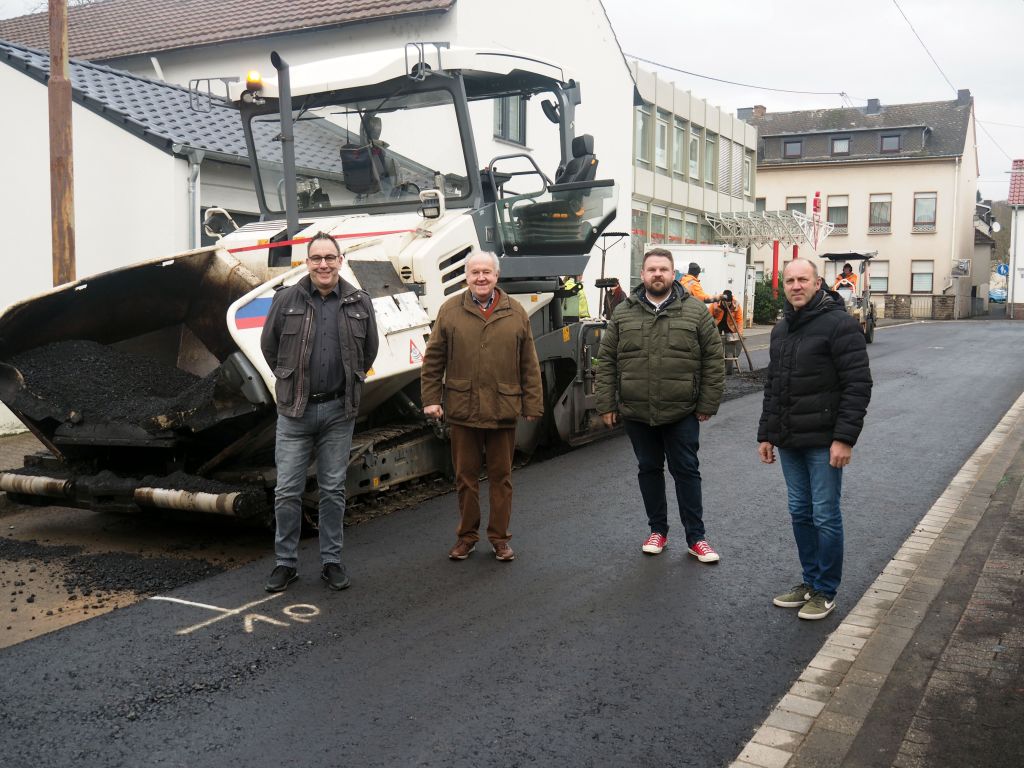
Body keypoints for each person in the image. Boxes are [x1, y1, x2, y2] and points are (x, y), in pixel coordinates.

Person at [260, 231, 379, 593]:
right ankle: (285, 563)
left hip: (338, 411)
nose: (324, 264)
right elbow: (270, 346)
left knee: (332, 490)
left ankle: (331, 561)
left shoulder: (360, 302)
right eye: (317, 258)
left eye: (330, 258)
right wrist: (292, 381)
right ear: (307, 262)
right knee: (287, 491)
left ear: (340, 261)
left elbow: (369, 351)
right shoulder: (286, 300)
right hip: (295, 412)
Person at [758, 259, 872, 620]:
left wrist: (844, 439)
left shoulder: (839, 325)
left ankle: (825, 590)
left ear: (818, 282)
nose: (795, 286)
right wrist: (767, 434)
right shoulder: (782, 329)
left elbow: (858, 385)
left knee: (824, 515)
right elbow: (773, 386)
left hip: (825, 442)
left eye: (802, 279)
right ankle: (809, 581)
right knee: (800, 512)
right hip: (790, 440)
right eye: (789, 280)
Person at [596, 247, 725, 562]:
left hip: (682, 411)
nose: (657, 274)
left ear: (672, 275)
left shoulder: (694, 311)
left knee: (686, 471)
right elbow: (607, 361)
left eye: (663, 270)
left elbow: (713, 359)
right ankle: (658, 531)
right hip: (637, 411)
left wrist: (707, 402)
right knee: (649, 469)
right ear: (642, 275)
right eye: (651, 269)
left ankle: (697, 538)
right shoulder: (623, 313)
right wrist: (606, 404)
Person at [420, 250, 544, 562]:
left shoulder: (515, 312)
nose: (481, 278)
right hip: (463, 409)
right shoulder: (450, 310)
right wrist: (431, 399)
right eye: (475, 272)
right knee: (465, 478)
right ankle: (466, 537)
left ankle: (500, 539)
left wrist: (533, 403)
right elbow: (433, 360)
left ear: (496, 275)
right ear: (467, 276)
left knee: (502, 479)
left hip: (502, 409)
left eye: (486, 272)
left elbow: (529, 363)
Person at [710, 289, 744, 374]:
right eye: (725, 303)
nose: (726, 305)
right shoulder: (715, 303)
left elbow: (739, 320)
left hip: (730, 325)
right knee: (716, 340)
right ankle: (716, 356)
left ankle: (728, 355)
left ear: (731, 301)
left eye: (728, 304)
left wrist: (739, 334)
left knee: (730, 341)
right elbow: (708, 315)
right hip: (717, 323)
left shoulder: (736, 305)